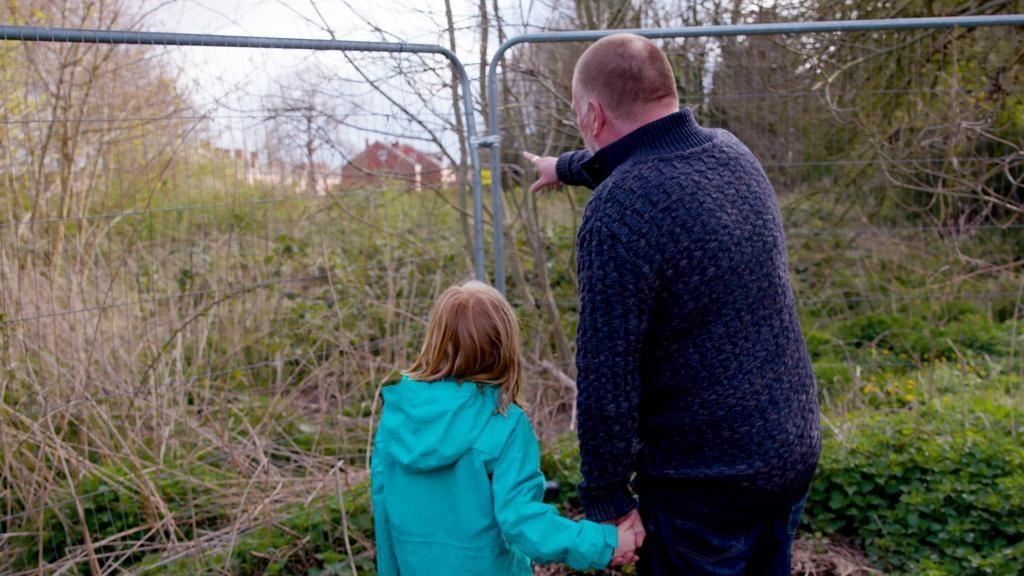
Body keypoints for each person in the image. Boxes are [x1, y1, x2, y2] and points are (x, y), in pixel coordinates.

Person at [524, 33, 822, 575]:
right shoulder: (732, 153)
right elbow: (652, 153)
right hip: (789, 449)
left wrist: (608, 502)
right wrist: (564, 167)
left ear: (592, 114)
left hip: (707, 486)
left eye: (576, 114)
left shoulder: (618, 211)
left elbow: (605, 377)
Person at [371, 280, 641, 575]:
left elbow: (383, 517)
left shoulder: (396, 419)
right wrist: (605, 542)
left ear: (435, 338)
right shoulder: (505, 424)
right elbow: (522, 521)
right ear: (504, 348)